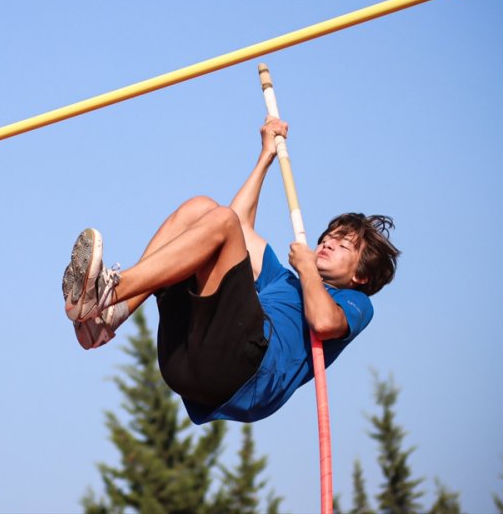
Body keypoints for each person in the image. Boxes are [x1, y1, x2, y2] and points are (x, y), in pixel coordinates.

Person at [61, 117, 401, 424]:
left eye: (342, 245)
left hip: (245, 372)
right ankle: (107, 318)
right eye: (328, 237)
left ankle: (108, 293)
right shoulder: (281, 280)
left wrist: (307, 270)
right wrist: (266, 156)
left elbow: (325, 323)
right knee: (202, 209)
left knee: (221, 221)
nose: (327, 243)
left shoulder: (355, 303)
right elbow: (236, 223)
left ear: (361, 276)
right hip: (189, 365)